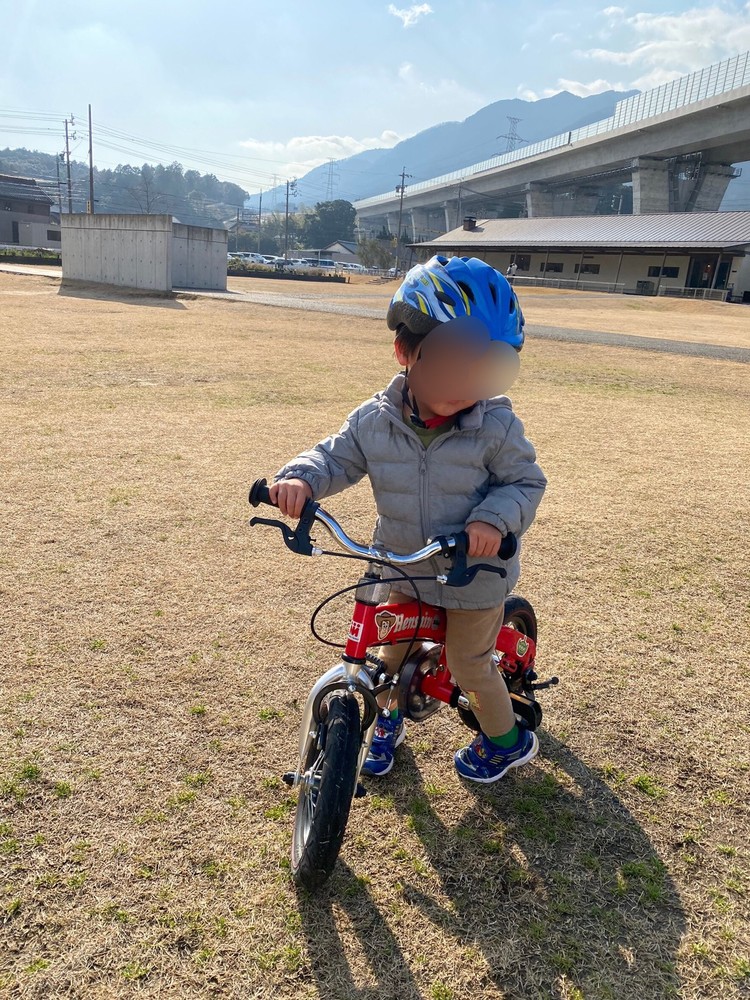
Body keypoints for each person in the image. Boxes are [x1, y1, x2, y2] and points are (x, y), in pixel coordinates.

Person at [270, 255, 547, 784]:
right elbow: (334, 457)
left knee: (470, 665)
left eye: (485, 363)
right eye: (454, 358)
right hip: (401, 565)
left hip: (473, 575)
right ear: (406, 350)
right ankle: (389, 715)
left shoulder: (497, 425)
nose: (469, 378)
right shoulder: (375, 420)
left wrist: (492, 520)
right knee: (389, 652)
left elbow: (525, 483)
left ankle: (508, 741)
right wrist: (301, 479)